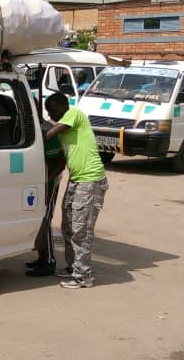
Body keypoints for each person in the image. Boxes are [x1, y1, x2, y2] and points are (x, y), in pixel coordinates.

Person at [44, 92, 108, 289]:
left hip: (90, 181)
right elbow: (64, 159)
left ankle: (83, 275)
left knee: (81, 230)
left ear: (63, 107)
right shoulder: (66, 133)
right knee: (68, 226)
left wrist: (37, 135)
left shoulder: (75, 115)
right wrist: (48, 179)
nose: (51, 115)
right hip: (77, 180)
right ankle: (74, 267)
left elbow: (49, 134)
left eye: (52, 111)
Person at [26, 121, 66, 276]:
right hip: (37, 184)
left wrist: (47, 181)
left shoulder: (47, 133)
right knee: (39, 219)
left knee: (45, 220)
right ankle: (42, 257)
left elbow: (60, 162)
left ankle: (49, 261)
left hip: (49, 183)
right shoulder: (31, 129)